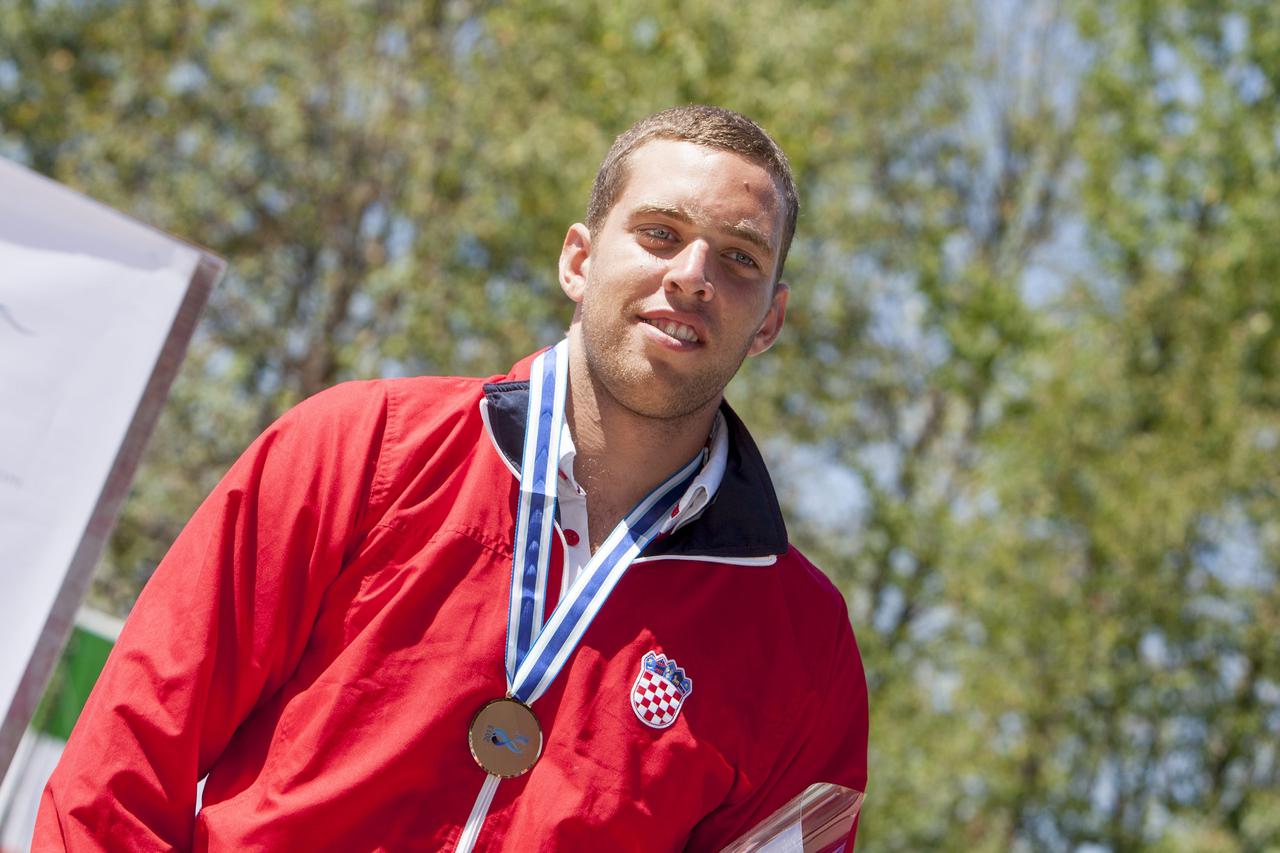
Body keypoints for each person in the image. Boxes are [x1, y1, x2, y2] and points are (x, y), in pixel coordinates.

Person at [34, 105, 868, 851]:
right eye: (658, 232)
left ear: (770, 323)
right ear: (578, 260)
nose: (693, 274)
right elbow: (121, 768)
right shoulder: (357, 447)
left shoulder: (806, 648)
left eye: (739, 257)